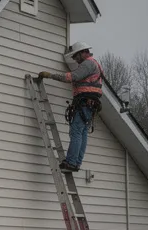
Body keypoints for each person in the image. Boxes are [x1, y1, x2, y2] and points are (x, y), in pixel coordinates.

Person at [39, 42, 104, 173]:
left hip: (85, 103)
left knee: (76, 132)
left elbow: (73, 77)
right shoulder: (94, 64)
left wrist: (51, 76)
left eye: (75, 56)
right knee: (82, 132)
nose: (75, 60)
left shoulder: (88, 63)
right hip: (89, 104)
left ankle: (72, 162)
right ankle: (76, 163)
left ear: (82, 53)